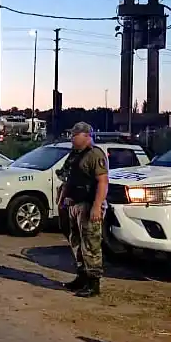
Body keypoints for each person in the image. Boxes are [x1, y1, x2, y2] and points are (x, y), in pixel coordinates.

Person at [57, 122, 109, 298]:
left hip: (88, 206)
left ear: (87, 135)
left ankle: (93, 284)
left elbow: (102, 182)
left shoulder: (95, 155)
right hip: (73, 205)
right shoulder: (74, 155)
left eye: (75, 134)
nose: (72, 137)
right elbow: (67, 178)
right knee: (76, 243)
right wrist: (62, 200)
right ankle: (81, 277)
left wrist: (96, 206)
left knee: (91, 245)